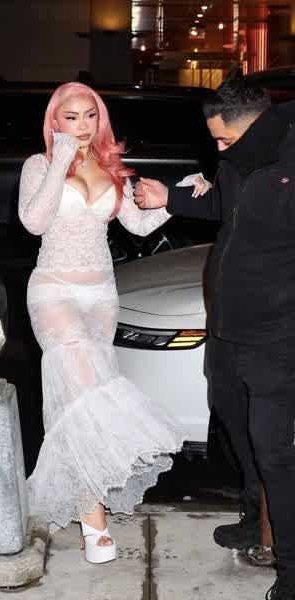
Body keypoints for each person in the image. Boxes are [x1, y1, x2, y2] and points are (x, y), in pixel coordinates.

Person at [17, 82, 205, 565]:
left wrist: (180, 196)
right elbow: (34, 222)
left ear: (100, 119)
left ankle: (88, 507)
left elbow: (138, 226)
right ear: (54, 121)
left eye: (90, 115)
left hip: (102, 295)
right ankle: (94, 521)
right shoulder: (38, 165)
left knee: (77, 403)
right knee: (86, 395)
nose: (82, 126)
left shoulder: (111, 168)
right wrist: (60, 160)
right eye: (71, 117)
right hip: (54, 290)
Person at [135, 77, 295, 599]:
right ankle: (253, 518)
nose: (218, 149)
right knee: (235, 424)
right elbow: (224, 207)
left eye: (225, 139)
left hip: (275, 335)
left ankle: (291, 569)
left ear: (256, 127)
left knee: (275, 449)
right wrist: (171, 198)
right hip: (226, 327)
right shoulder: (237, 161)